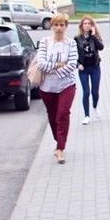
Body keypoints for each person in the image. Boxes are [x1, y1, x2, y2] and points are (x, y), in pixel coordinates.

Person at [34, 12, 78, 164]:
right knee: (52, 116)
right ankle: (58, 139)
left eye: (62, 25)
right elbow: (41, 64)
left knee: (62, 114)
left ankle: (60, 148)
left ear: (66, 27)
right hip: (47, 87)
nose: (59, 28)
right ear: (52, 26)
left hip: (66, 85)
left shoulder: (71, 43)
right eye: (56, 25)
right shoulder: (45, 42)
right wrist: (59, 65)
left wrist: (53, 69)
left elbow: (72, 64)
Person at [75, 15, 105, 125]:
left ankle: (95, 106)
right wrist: (78, 64)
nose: (87, 26)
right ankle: (86, 115)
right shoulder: (77, 39)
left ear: (92, 26)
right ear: (82, 26)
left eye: (89, 24)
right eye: (85, 24)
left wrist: (94, 36)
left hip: (95, 68)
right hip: (84, 69)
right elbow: (73, 55)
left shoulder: (94, 37)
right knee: (86, 91)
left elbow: (101, 47)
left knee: (95, 92)